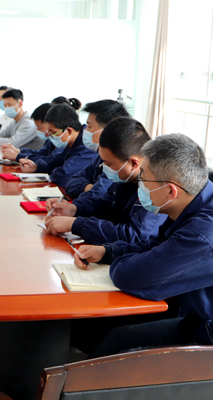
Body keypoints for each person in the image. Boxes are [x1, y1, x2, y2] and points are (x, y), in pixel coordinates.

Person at [71, 134, 213, 358]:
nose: (139, 184)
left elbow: (132, 276)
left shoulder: (202, 233)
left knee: (118, 344)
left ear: (171, 191)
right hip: (194, 318)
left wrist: (119, 261)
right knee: (106, 333)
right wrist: (108, 252)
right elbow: (156, 245)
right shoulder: (195, 201)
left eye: (143, 178)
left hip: (205, 334)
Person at [44, 118, 166, 244]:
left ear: (134, 163)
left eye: (108, 164)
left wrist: (76, 224)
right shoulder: (126, 177)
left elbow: (134, 235)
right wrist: (74, 209)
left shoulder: (158, 187)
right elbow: (103, 204)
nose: (104, 168)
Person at [65, 100, 131, 199]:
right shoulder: (99, 155)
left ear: (108, 130)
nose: (85, 130)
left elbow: (99, 195)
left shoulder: (119, 160)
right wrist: (90, 187)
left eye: (89, 126)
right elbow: (71, 183)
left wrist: (91, 189)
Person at [18, 104, 94, 188]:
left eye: (54, 133)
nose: (51, 137)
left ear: (69, 131)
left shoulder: (86, 147)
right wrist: (36, 166)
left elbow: (63, 176)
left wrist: (53, 171)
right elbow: (53, 161)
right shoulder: (69, 142)